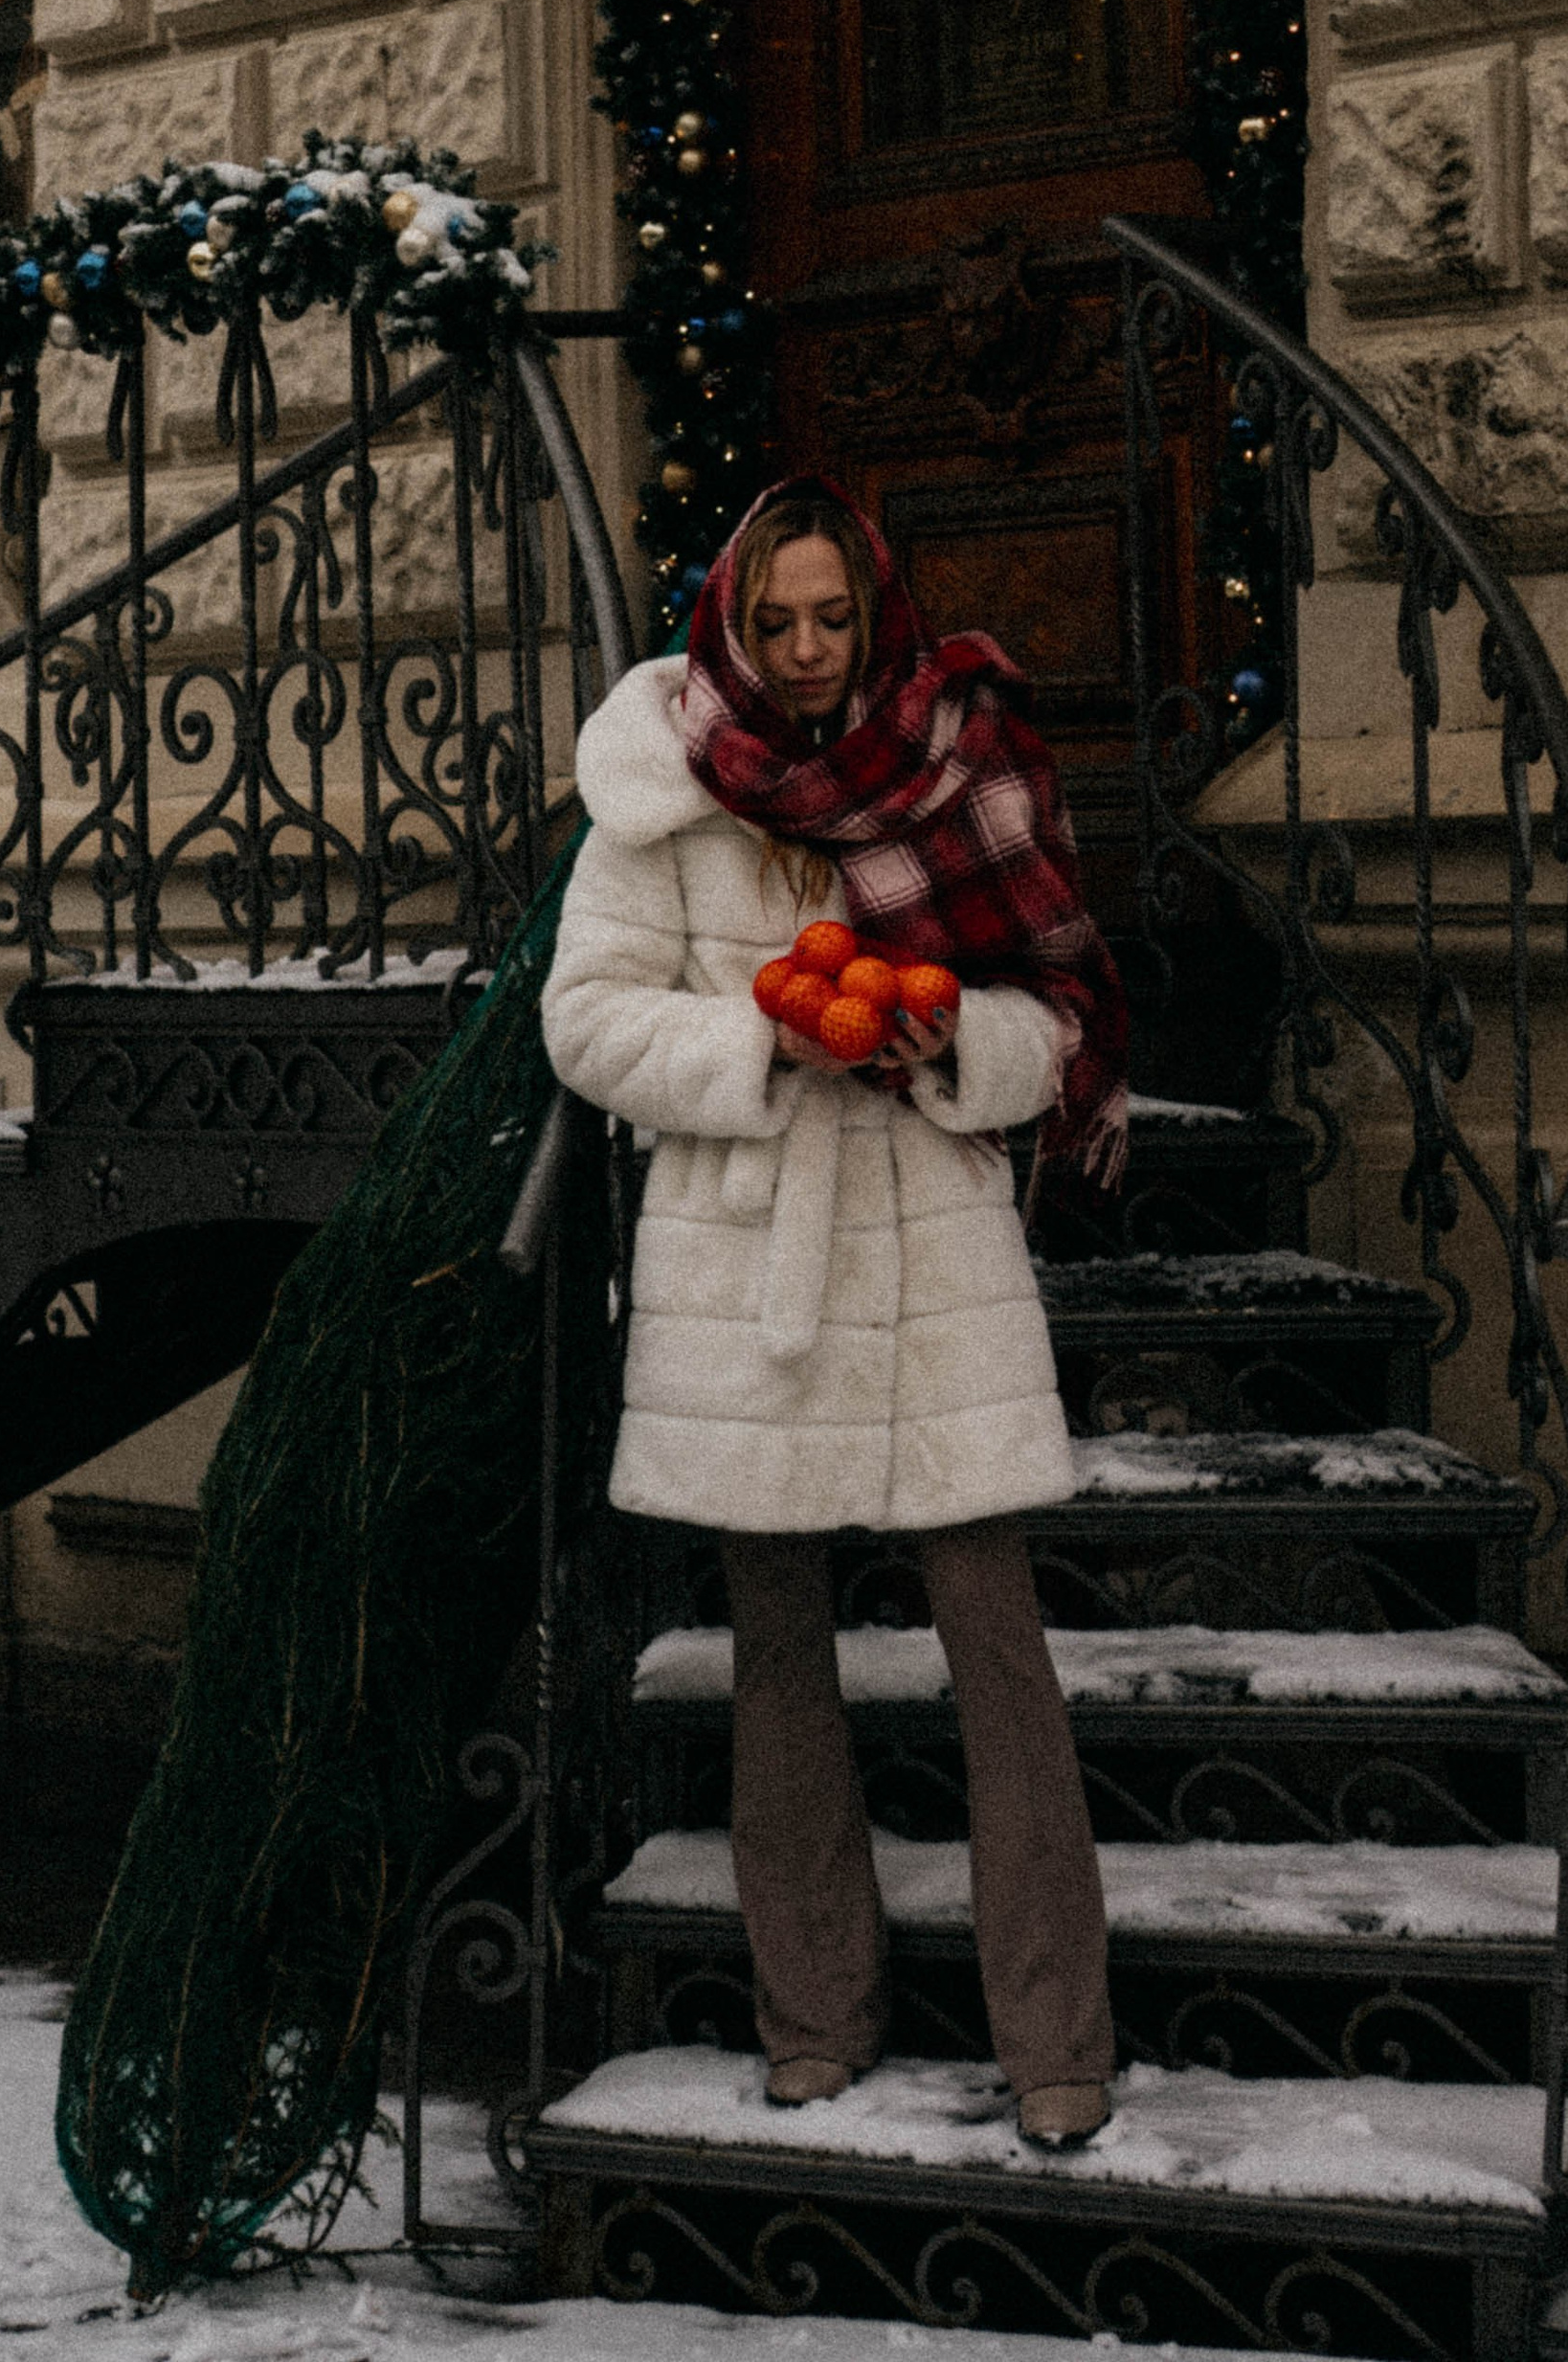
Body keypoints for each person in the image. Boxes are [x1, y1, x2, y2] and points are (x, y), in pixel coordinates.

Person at [542, 475, 1130, 2151]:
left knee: (997, 1650)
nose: (805, 653)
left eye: (831, 619)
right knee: (778, 1659)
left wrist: (954, 1048)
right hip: (753, 1263)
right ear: (733, 618)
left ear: (874, 613)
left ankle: (1057, 2047)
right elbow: (584, 1022)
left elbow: (1053, 1008)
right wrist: (758, 1049)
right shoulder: (660, 792)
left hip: (935, 1239)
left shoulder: (962, 764)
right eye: (774, 621)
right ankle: (814, 2017)